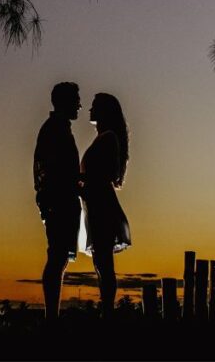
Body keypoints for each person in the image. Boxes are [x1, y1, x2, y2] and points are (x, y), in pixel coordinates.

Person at [33, 81, 82, 320]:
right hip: (59, 203)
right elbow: (49, 170)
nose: (80, 106)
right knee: (56, 258)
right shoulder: (54, 129)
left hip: (61, 202)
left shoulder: (59, 127)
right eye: (76, 100)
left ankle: (52, 315)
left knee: (59, 258)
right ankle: (51, 316)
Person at [80, 92, 131, 318]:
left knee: (104, 264)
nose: (89, 110)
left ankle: (107, 314)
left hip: (101, 205)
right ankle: (106, 312)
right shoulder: (104, 137)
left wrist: (77, 182)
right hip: (95, 204)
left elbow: (104, 174)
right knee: (101, 263)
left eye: (94, 106)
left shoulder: (108, 138)